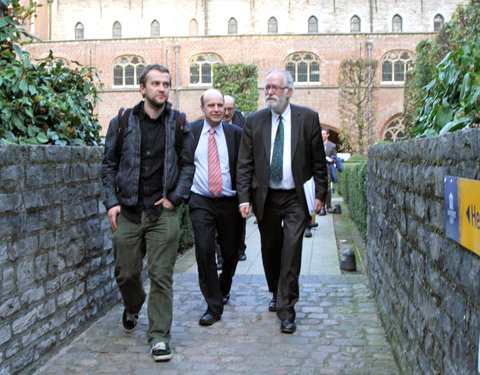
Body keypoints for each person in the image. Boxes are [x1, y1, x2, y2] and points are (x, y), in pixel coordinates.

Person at [101, 64, 195, 362]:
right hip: (127, 210)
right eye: (155, 84)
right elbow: (108, 165)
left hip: (162, 213)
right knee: (126, 273)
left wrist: (175, 198)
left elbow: (188, 166)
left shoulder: (179, 123)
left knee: (161, 276)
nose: (162, 89)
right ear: (142, 88)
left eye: (166, 84)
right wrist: (112, 202)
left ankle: (159, 337)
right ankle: (133, 304)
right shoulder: (123, 120)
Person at [237, 69, 328, 334]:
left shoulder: (307, 119)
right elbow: (245, 164)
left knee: (291, 250)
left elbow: (317, 161)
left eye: (275, 88)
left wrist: (320, 193)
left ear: (289, 91)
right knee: (270, 249)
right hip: (266, 196)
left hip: (296, 198)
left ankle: (287, 309)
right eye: (266, 88)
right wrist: (244, 198)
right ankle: (275, 291)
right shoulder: (254, 122)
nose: (269, 92)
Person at [189, 89, 244, 326]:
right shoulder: (189, 133)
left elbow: (244, 168)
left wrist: (245, 198)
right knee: (203, 250)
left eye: (220, 105)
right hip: (201, 200)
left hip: (230, 201)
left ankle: (224, 285)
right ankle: (213, 305)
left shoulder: (236, 134)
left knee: (231, 253)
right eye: (210, 105)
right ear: (202, 109)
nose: (216, 109)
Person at [223, 95, 247, 261]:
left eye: (230, 109)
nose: (226, 112)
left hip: (237, 178)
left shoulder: (242, 122)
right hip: (218, 178)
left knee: (240, 218)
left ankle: (240, 248)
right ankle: (220, 254)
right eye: (224, 108)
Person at [321, 127, 337, 215]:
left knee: (328, 189)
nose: (322, 136)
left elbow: (335, 158)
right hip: (319, 169)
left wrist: (331, 160)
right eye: (321, 134)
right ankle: (321, 206)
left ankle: (328, 205)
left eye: (324, 134)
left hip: (328, 169)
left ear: (327, 135)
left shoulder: (332, 146)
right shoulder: (317, 144)